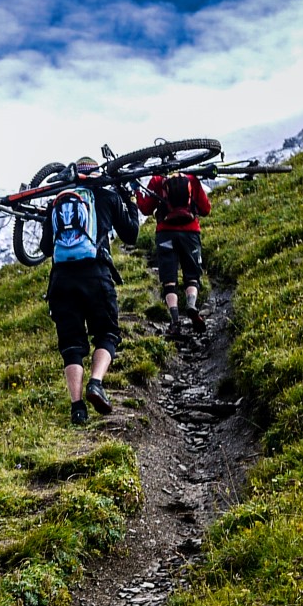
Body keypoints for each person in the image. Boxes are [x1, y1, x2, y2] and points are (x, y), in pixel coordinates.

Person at [45, 156, 139, 425]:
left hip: (61, 280)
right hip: (96, 275)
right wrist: (129, 202)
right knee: (107, 334)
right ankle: (96, 383)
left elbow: (44, 249)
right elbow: (131, 234)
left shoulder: (58, 201)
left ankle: (77, 408)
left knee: (71, 345)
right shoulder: (106, 197)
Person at [135, 170, 213, 337]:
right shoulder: (192, 177)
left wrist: (137, 193)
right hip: (191, 233)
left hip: (165, 233)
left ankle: (175, 319)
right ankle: (191, 304)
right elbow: (205, 209)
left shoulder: (157, 180)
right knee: (192, 275)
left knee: (169, 279)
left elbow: (147, 209)